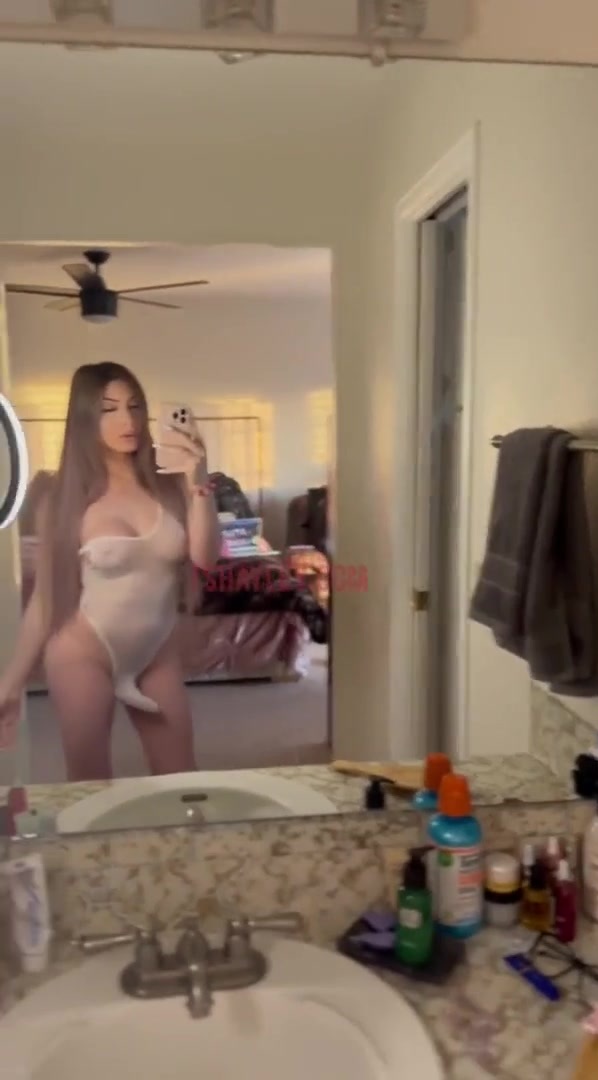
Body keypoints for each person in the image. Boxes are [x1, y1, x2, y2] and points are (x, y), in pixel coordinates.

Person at [0, 362, 220, 781]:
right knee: (89, 785)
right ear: (86, 418)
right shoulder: (61, 495)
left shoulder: (171, 481)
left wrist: (199, 480)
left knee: (183, 781)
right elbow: (46, 598)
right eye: (109, 409)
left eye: (135, 406)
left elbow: (206, 558)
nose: (128, 420)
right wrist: (9, 684)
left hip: (156, 653)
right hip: (82, 652)